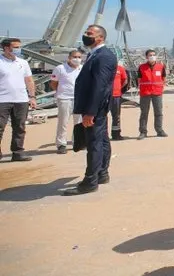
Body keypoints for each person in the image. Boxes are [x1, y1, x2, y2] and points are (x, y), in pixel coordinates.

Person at [64, 25, 117, 195]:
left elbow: (99, 86)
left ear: (100, 38)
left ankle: (90, 181)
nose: (86, 35)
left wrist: (91, 112)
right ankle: (101, 173)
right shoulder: (95, 55)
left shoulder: (104, 56)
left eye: (90, 34)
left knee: (94, 143)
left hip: (95, 108)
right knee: (101, 140)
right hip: (95, 107)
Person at [0, 38, 35, 162]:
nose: (18, 49)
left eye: (19, 47)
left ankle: (17, 152)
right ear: (5, 48)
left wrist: (32, 97)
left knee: (19, 127)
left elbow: (29, 81)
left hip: (21, 100)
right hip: (2, 100)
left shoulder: (23, 63)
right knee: (0, 127)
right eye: (15, 47)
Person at [50, 49, 83, 154]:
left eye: (79, 57)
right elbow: (53, 83)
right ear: (69, 58)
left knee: (79, 122)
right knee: (63, 122)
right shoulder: (60, 68)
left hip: (79, 98)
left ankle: (77, 142)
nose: (77, 59)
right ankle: (61, 144)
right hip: (64, 98)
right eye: (75, 57)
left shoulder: (82, 68)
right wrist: (60, 92)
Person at [137, 49, 167, 139]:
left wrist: (161, 88)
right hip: (145, 93)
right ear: (146, 57)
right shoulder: (141, 67)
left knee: (158, 112)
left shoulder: (160, 67)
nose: (152, 56)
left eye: (154, 55)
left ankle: (159, 130)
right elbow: (139, 79)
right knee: (144, 113)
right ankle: (143, 132)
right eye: (150, 55)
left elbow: (164, 78)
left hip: (157, 92)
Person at [111, 61, 129, 141]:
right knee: (102, 117)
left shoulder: (120, 69)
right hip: (105, 97)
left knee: (116, 116)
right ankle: (102, 135)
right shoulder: (103, 67)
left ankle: (116, 134)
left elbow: (125, 80)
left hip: (116, 96)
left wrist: (118, 89)